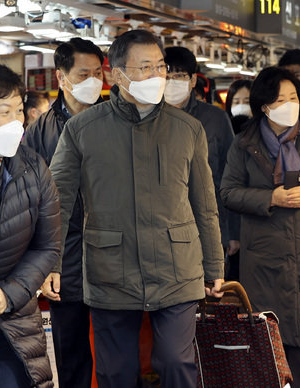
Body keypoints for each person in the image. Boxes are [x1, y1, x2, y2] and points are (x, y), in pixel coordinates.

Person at [48, 30, 225, 388]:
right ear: (116, 75)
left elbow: (204, 203)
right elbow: (58, 202)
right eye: (145, 68)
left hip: (177, 267)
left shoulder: (188, 129)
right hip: (111, 268)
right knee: (116, 371)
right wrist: (50, 264)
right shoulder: (82, 130)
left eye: (160, 66)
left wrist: (214, 263)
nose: (156, 76)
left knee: (176, 361)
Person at [220, 67, 300, 388]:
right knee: (267, 336)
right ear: (264, 106)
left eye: (293, 97)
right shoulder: (244, 143)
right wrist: (270, 197)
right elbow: (228, 192)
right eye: (280, 99)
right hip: (263, 255)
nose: (290, 104)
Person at [23, 37, 104, 388]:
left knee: (118, 351)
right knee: (70, 351)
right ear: (61, 77)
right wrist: (42, 263)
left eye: (99, 73)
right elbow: (29, 200)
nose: (93, 81)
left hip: (114, 251)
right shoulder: (38, 133)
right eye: (84, 73)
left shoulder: (117, 122)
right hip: (65, 254)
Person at [0, 61, 61, 388]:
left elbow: (46, 245)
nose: (16, 122)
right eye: (3, 111)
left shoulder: (33, 168)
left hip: (10, 325)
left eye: (19, 110)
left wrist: (8, 294)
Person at [164, 46, 239, 278]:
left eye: (179, 76)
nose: (171, 82)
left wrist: (231, 232)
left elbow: (231, 175)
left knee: (210, 294)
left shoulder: (215, 119)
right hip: (164, 227)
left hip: (208, 226)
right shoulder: (147, 118)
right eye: (166, 77)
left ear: (193, 79)